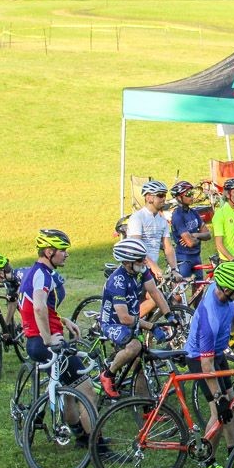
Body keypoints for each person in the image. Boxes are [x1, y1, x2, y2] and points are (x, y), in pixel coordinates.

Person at [19, 229, 98, 439]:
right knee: (87, 390)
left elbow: (39, 307)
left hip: (37, 340)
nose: (66, 254)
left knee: (68, 390)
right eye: (62, 250)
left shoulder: (35, 271)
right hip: (45, 342)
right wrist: (47, 338)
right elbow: (38, 307)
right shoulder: (42, 275)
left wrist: (62, 319)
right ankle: (98, 446)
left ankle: (80, 435)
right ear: (48, 251)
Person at [183, 261, 234, 468]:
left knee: (230, 404)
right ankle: (205, 461)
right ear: (226, 289)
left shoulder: (227, 296)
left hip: (217, 354)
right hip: (200, 360)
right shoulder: (210, 318)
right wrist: (218, 397)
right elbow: (206, 365)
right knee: (219, 412)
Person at [98, 238, 175, 399]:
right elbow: (124, 318)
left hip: (131, 320)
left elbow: (155, 292)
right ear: (127, 262)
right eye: (140, 259)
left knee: (140, 365)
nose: (144, 261)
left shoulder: (140, 270)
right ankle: (108, 374)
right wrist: (152, 326)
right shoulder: (117, 282)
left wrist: (170, 315)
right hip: (113, 322)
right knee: (134, 346)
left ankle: (146, 409)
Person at [127, 180, 180, 280]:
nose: (164, 198)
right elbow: (136, 246)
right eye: (160, 195)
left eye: (165, 195)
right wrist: (153, 266)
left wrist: (174, 270)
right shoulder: (138, 217)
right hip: (135, 267)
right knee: (152, 296)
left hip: (151, 269)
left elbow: (168, 247)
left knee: (170, 294)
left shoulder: (162, 220)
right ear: (148, 197)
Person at [169, 180, 210, 279]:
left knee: (199, 288)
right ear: (179, 197)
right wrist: (197, 237)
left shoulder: (194, 212)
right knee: (180, 290)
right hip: (184, 258)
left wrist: (196, 235)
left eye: (192, 193)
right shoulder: (177, 216)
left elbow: (208, 235)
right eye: (188, 194)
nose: (192, 196)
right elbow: (190, 243)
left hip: (197, 256)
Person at [0, 253, 24, 328]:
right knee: (12, 299)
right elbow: (13, 303)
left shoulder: (20, 275)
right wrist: (6, 325)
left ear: (1, 273)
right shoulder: (11, 280)